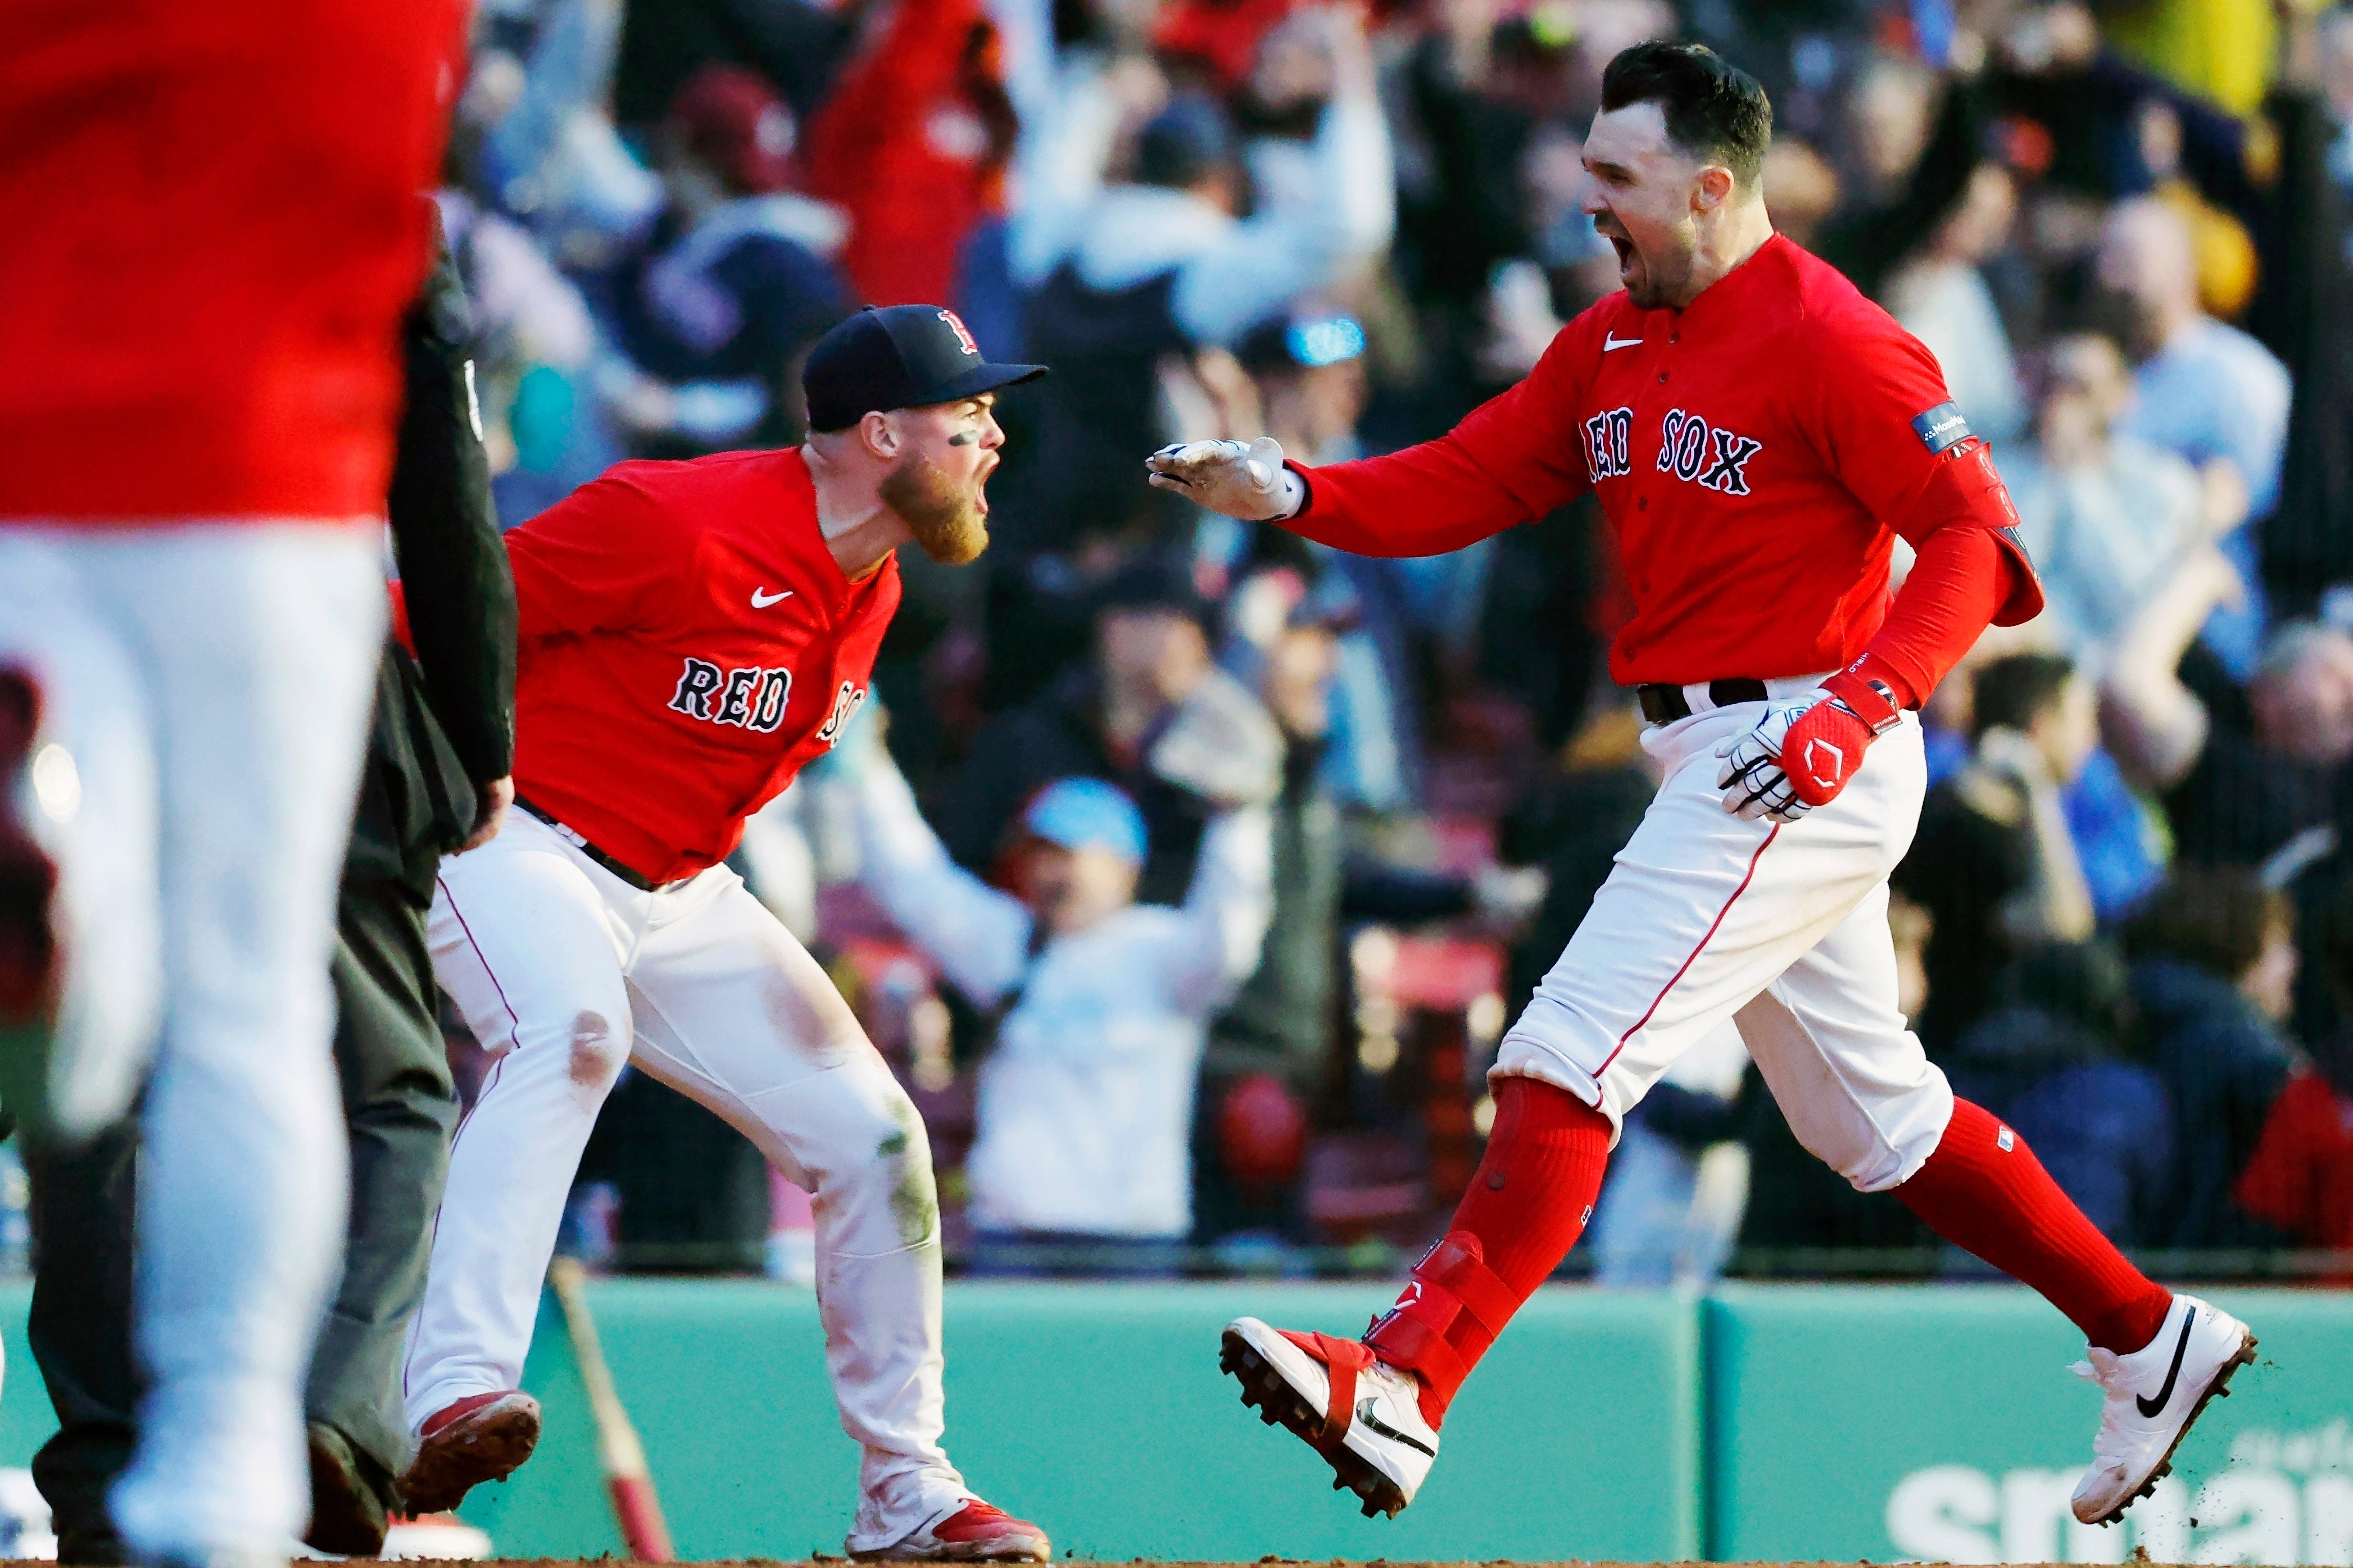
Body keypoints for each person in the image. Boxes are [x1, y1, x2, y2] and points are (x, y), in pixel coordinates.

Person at [1148, 40, 2255, 1529]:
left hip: (1798, 737)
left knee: (1566, 1043)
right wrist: (1291, 489)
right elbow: (1473, 475)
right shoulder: (1609, 334)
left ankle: (1405, 1379)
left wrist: (1861, 704)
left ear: (1714, 184)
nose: (1585, 198)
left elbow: (1975, 544)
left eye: (1617, 176)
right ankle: (2145, 1330)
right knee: (1879, 1125)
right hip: (1711, 740)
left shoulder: (1834, 332)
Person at [397, 305, 1054, 1562]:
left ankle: (905, 1495)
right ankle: (451, 1391)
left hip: (680, 887)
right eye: (966, 416)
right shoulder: (675, 516)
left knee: (876, 1139)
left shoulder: (875, 580)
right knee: (570, 1029)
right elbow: (443, 606)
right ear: (877, 434)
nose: (994, 436)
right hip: (513, 835)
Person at [0, 4, 461, 1564]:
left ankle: (76, 990)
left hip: (18, 469)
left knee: (100, 1041)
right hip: (263, 492)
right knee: (253, 1005)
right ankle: (220, 1472)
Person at [853, 753, 1272, 1272]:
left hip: (1134, 1243)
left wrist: (1237, 817)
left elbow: (1231, 930)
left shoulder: (1165, 953)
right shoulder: (1007, 942)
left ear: (1125, 867)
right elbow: (911, 879)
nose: (1053, 872)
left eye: (1071, 853)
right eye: (1040, 854)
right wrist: (867, 761)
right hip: (1011, 1238)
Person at [1895, 653, 2099, 1056]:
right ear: (2042, 721)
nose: (2091, 738)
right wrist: (2037, 789)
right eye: (2082, 719)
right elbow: (2065, 928)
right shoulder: (1961, 822)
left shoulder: (2008, 821)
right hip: (1957, 1051)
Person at [2126, 867, 2300, 1251]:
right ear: (2241, 948)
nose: (2292, 963)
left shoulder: (2124, 1024)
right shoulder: (2259, 1063)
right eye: (2280, 943)